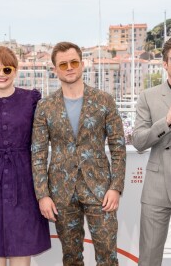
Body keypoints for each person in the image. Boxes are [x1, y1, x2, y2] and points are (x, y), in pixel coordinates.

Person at [32, 41, 126, 266]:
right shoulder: (45, 106)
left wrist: (115, 187)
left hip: (100, 190)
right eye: (63, 64)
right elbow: (38, 154)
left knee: (107, 256)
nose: (69, 67)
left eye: (74, 62)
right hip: (61, 193)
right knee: (71, 258)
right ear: (55, 70)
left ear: (82, 64)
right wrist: (42, 195)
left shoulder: (104, 100)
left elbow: (118, 147)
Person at [0, 46, 51, 266]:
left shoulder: (30, 100)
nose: (1, 73)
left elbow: (44, 138)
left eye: (7, 68)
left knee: (21, 251)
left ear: (15, 70)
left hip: (23, 181)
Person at [132, 36, 171, 266]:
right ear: (165, 64)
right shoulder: (148, 96)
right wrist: (167, 120)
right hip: (157, 187)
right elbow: (139, 141)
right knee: (149, 258)